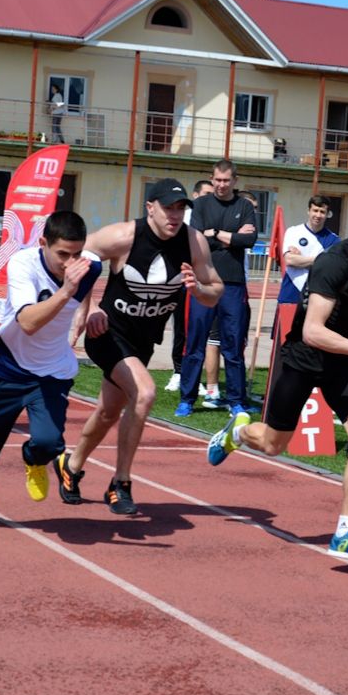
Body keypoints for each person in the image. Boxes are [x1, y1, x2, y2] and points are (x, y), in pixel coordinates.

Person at [206, 197, 348, 562]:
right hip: (304, 357)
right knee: (272, 444)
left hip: (343, 362)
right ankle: (237, 432)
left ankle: (345, 532)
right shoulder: (333, 263)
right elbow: (314, 332)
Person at [56, 178, 222, 514]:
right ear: (150, 208)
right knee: (145, 394)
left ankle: (70, 465)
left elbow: (215, 289)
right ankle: (121, 483)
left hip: (143, 340)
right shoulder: (124, 236)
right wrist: (90, 308)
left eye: (180, 208)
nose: (174, 215)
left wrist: (197, 291)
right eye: (167, 208)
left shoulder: (194, 242)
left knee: (107, 412)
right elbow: (80, 258)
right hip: (108, 332)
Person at [0, 211, 102, 526]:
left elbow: (98, 264)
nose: (70, 263)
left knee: (49, 442)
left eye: (77, 254)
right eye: (63, 254)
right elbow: (27, 322)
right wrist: (67, 291)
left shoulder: (89, 266)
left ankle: (34, 459)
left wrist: (90, 308)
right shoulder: (23, 264)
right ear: (43, 243)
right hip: (5, 367)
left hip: (51, 371)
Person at [177, 159, 256, 417]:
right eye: (217, 180)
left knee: (232, 345)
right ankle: (187, 399)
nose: (221, 185)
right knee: (196, 341)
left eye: (226, 180)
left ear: (235, 181)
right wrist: (231, 237)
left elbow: (250, 239)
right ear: (212, 180)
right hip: (203, 283)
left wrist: (216, 234)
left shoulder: (244, 206)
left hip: (233, 285)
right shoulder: (200, 205)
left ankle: (236, 400)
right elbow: (196, 239)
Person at [164, 179, 213, 394]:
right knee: (181, 327)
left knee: (199, 330)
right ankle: (177, 371)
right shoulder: (184, 220)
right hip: (181, 279)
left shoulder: (213, 216)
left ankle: (195, 376)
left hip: (203, 280)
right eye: (204, 195)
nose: (208, 199)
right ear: (195, 195)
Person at [280, 195, 340, 305]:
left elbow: (330, 268)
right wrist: (322, 259)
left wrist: (300, 258)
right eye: (315, 210)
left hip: (316, 298)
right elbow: (289, 260)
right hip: (290, 294)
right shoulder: (293, 232)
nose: (318, 215)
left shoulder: (334, 240)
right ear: (308, 211)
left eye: (322, 212)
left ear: (327, 214)